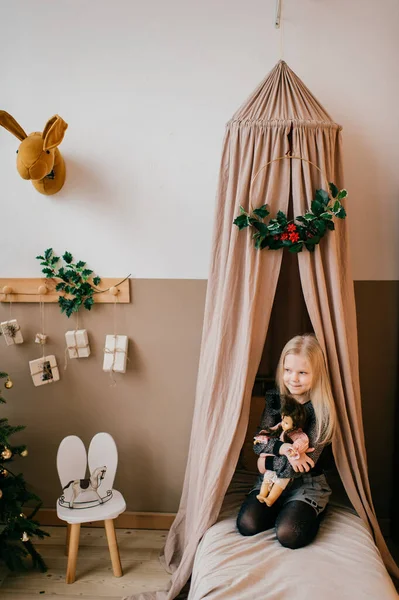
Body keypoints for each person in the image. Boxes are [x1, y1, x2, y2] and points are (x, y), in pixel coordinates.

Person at [236, 333, 337, 549]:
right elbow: (258, 443)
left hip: (307, 484)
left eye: (302, 372)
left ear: (317, 374)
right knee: (247, 524)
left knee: (288, 534)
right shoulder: (275, 400)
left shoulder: (321, 410)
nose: (293, 378)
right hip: (271, 480)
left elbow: (303, 465)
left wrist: (265, 461)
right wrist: (282, 448)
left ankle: (308, 509)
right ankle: (281, 506)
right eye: (288, 370)